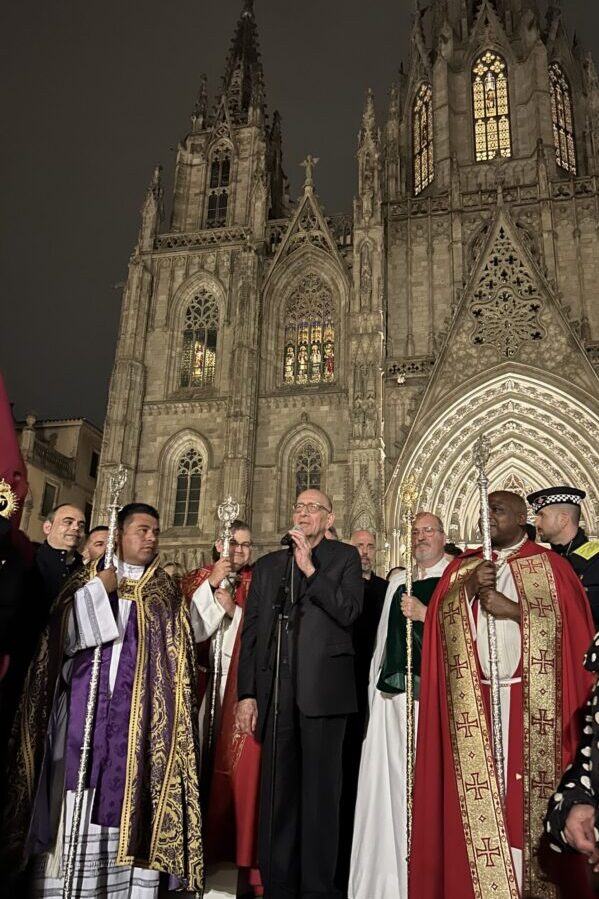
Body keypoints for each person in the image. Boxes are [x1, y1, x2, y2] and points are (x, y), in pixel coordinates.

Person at [0, 502, 203, 897]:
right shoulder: (86, 581)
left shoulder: (164, 591)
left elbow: (179, 660)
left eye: (155, 532)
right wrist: (98, 592)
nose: (151, 538)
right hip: (82, 716)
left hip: (138, 724)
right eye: (142, 530)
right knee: (77, 790)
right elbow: (62, 639)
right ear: (119, 535)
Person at [410, 491, 595, 899]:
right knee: (474, 808)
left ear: (522, 517)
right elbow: (439, 630)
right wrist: (468, 592)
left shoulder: (553, 567)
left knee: (525, 810)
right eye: (484, 509)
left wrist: (515, 610)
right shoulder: (463, 567)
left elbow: (575, 637)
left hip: (530, 704)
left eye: (497, 509)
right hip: (473, 705)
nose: (487, 516)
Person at [236, 489, 363, 899]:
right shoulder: (271, 565)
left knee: (320, 799)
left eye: (313, 508)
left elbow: (348, 612)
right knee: (278, 797)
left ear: (328, 519)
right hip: (277, 693)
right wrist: (247, 694)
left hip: (325, 695)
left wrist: (311, 570)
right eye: (299, 507)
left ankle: (318, 889)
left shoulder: (344, 558)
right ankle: (278, 886)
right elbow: (252, 632)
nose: (303, 513)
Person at [349, 512, 450, 899]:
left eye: (429, 531)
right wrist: (373, 706)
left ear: (444, 536)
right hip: (393, 704)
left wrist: (428, 616)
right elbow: (379, 648)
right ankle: (386, 879)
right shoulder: (396, 583)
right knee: (389, 786)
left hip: (435, 702)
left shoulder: (456, 579)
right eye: (416, 532)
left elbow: (468, 639)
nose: (422, 537)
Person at [182, 520, 261, 899]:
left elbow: (260, 632)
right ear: (218, 545)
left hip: (236, 682)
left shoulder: (256, 583)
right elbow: (189, 628)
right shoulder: (198, 576)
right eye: (235, 544)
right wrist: (212, 586)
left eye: (246, 545)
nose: (240, 551)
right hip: (202, 683)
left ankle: (224, 841)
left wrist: (235, 613)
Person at [336, 530, 387, 893]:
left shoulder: (387, 590)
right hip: (342, 690)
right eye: (359, 547)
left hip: (377, 693)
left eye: (370, 547)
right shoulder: (338, 588)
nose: (365, 553)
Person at [528, 485, 599, 628]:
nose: (536, 522)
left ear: (563, 519)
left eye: (542, 515)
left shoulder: (595, 560)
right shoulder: (542, 560)